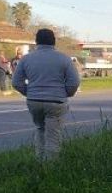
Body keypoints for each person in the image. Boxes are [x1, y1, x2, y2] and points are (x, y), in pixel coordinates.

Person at [12, 29, 80, 161]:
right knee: (53, 133)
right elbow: (74, 82)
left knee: (40, 128)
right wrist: (66, 93)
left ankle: (40, 160)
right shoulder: (64, 59)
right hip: (56, 101)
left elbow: (16, 82)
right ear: (53, 41)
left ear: (36, 41)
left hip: (34, 100)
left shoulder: (26, 59)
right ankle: (51, 166)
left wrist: (29, 92)